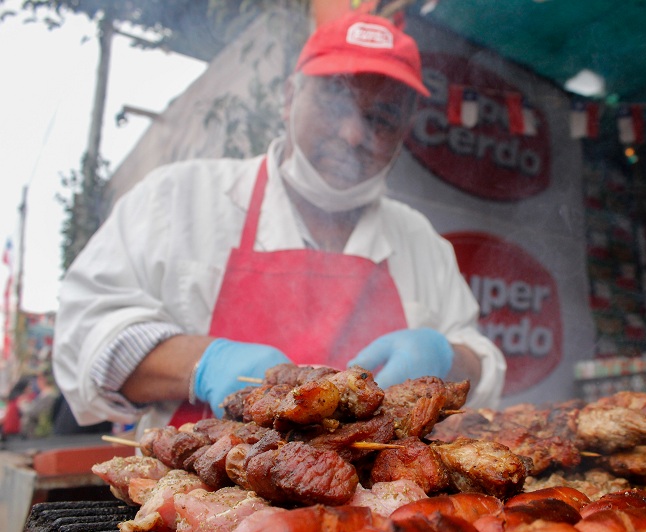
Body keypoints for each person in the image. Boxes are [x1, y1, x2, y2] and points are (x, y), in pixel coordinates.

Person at [53, 12, 506, 435]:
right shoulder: (178, 199)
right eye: (337, 105)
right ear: (290, 98)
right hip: (193, 510)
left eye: (380, 118)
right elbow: (85, 339)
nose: (353, 135)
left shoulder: (421, 242)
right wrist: (203, 363)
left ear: (404, 131)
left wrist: (445, 357)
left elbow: (484, 367)